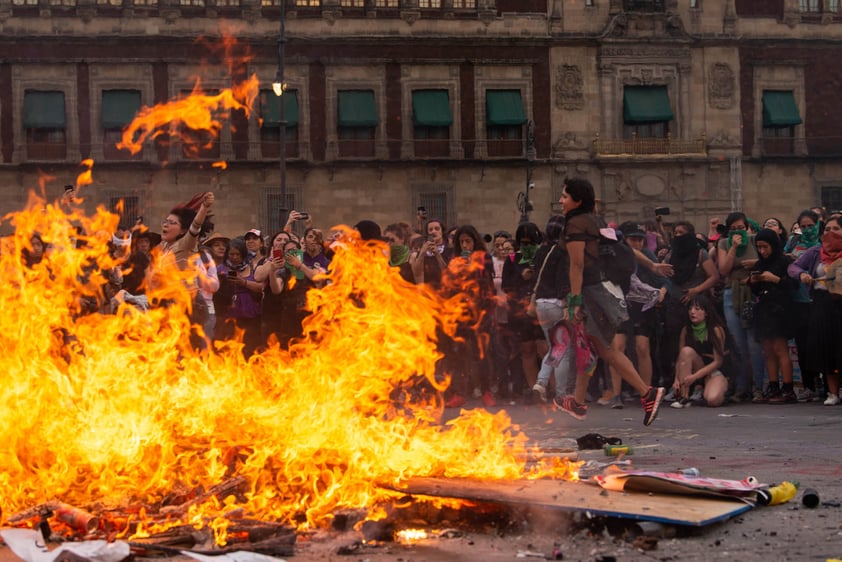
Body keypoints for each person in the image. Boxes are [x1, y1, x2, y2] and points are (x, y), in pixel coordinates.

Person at [557, 177, 665, 425]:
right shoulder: (596, 221)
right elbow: (622, 247)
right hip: (607, 290)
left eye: (565, 196)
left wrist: (574, 302)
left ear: (578, 200)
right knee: (587, 344)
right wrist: (651, 264)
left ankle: (647, 393)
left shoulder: (575, 224)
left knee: (605, 349)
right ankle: (578, 401)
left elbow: (577, 264)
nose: (561, 201)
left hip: (592, 293)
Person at [600, 222, 668, 409]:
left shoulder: (648, 256)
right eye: (633, 239)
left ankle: (645, 392)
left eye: (640, 239)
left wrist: (661, 292)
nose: (637, 243)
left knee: (642, 347)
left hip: (643, 308)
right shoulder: (617, 254)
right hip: (621, 305)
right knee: (617, 347)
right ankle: (616, 394)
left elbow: (663, 279)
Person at [659, 220, 719, 398]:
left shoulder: (701, 254)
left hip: (696, 305)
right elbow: (665, 276)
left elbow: (714, 277)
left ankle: (698, 384)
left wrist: (696, 291)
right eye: (675, 233)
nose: (678, 236)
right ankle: (676, 384)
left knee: (695, 346)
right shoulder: (671, 255)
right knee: (674, 346)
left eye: (682, 233)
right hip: (675, 305)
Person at [788, 215, 842, 405]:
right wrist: (802, 273)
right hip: (822, 304)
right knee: (827, 347)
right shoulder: (816, 252)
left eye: (835, 229)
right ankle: (832, 392)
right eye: (827, 229)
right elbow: (793, 267)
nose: (830, 233)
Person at [716, 211, 765, 403]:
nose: (738, 232)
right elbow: (724, 270)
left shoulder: (755, 241)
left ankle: (759, 387)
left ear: (747, 228)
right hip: (731, 293)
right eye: (734, 229)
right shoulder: (723, 243)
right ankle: (742, 385)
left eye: (741, 228)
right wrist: (733, 248)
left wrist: (755, 263)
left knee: (754, 343)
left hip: (752, 293)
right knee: (739, 344)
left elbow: (770, 260)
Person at [747, 228, 798, 403]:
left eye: (765, 247)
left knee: (780, 348)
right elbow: (756, 290)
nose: (762, 251)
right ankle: (773, 386)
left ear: (773, 245)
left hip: (780, 309)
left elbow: (793, 285)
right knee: (768, 351)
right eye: (759, 247)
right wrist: (753, 282)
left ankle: (788, 388)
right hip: (764, 309)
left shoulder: (784, 261)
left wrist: (774, 279)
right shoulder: (760, 264)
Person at [530, 215, 574, 406]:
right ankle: (561, 394)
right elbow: (563, 279)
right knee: (563, 349)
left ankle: (541, 382)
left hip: (540, 304)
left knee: (553, 346)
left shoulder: (541, 250)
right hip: (556, 303)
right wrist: (566, 304)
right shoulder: (562, 252)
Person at [502, 222, 547, 403]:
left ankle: (551, 388)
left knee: (544, 349)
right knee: (527, 350)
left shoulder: (543, 256)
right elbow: (506, 285)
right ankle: (533, 390)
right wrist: (521, 277)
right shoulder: (512, 259)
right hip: (520, 312)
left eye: (531, 242)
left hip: (541, 308)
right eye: (524, 242)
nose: (527, 246)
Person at [670, 295, 729, 408]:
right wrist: (676, 379)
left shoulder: (716, 330)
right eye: (690, 309)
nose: (692, 312)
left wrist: (695, 376)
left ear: (706, 312)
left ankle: (707, 389)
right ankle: (684, 397)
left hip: (713, 371)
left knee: (713, 400)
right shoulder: (686, 330)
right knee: (686, 351)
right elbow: (680, 357)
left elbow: (718, 361)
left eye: (697, 309)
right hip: (696, 368)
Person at [215, 237, 265, 358]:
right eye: (231, 254)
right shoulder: (220, 269)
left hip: (250, 312)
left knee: (250, 347)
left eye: (238, 254)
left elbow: (261, 287)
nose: (235, 257)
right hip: (229, 314)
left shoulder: (253, 267)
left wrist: (243, 282)